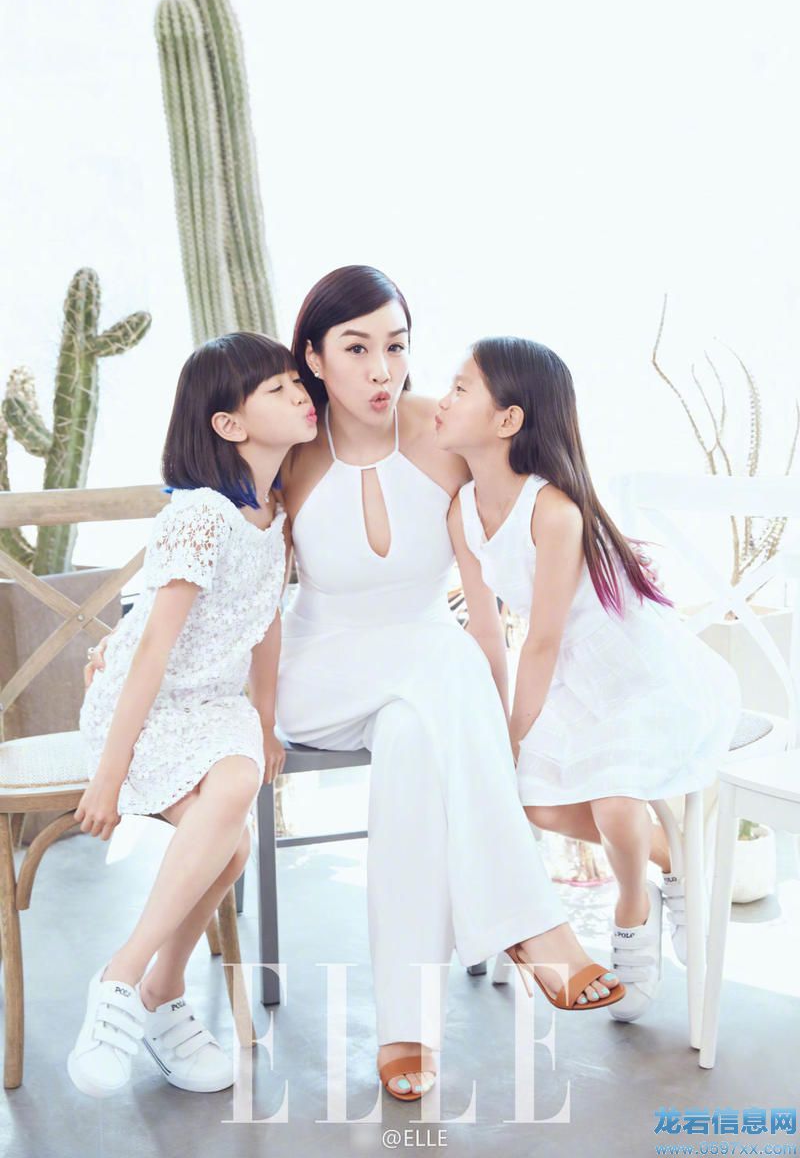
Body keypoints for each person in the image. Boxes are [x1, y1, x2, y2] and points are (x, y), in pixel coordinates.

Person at [274, 266, 624, 1104]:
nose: (382, 371)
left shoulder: (441, 432)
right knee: (439, 664)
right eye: (356, 349)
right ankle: (533, 926)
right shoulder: (290, 451)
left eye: (396, 346)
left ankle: (406, 1027)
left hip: (427, 679)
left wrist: (496, 735)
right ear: (314, 358)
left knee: (410, 734)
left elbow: (486, 601)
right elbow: (225, 575)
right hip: (318, 673)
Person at [435, 335, 742, 1023]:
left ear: (508, 419)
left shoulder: (553, 510)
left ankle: (632, 907)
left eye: (460, 388)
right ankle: (676, 861)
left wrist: (518, 734)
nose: (442, 400)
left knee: (611, 799)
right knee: (533, 801)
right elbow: (486, 631)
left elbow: (541, 640)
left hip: (640, 671)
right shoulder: (462, 510)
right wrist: (497, 731)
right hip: (576, 677)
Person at [69, 332, 316, 1097]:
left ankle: (148, 990)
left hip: (217, 706)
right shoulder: (201, 516)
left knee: (235, 812)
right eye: (277, 388)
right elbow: (151, 650)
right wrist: (108, 777)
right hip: (146, 708)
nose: (300, 393)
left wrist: (265, 719)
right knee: (232, 838)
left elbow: (266, 622)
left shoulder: (277, 511)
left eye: (296, 381)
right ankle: (134, 982)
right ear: (229, 424)